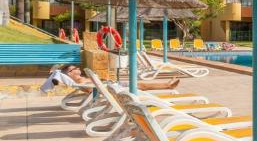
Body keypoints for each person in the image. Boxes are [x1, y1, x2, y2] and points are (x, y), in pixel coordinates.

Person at [41, 64, 179, 93]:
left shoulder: (79, 80)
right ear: (69, 73)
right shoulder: (80, 81)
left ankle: (167, 84)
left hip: (110, 85)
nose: (78, 69)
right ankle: (168, 86)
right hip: (112, 88)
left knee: (140, 84)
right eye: (75, 68)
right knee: (141, 85)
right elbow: (90, 90)